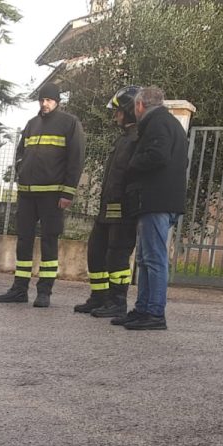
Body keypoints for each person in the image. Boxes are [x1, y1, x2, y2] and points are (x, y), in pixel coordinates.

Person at [0, 84, 85, 308]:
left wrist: (68, 191)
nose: (45, 103)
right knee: (23, 241)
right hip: (27, 194)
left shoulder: (69, 123)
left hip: (52, 195)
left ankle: (44, 291)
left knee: (49, 241)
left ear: (57, 102)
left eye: (49, 100)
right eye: (42, 99)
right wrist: (20, 170)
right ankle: (19, 289)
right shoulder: (32, 124)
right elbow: (20, 153)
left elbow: (76, 159)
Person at [114, 85, 188, 331]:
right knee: (146, 259)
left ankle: (154, 312)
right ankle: (144, 309)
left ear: (139, 105)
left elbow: (157, 155)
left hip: (156, 201)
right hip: (158, 200)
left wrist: (132, 163)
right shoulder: (169, 124)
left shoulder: (157, 124)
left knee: (153, 259)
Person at [75, 86, 141, 319]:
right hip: (107, 208)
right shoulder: (124, 138)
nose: (116, 116)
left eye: (118, 112)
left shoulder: (137, 139)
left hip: (123, 211)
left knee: (117, 256)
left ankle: (117, 301)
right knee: (96, 252)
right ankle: (99, 297)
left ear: (130, 111)